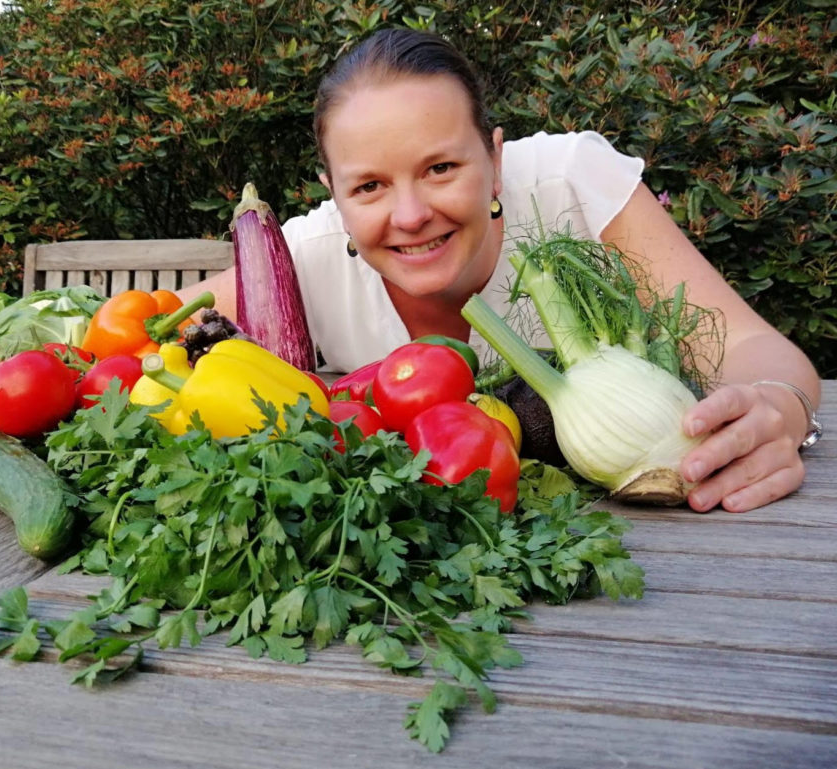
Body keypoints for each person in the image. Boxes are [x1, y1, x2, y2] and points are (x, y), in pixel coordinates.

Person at [179, 27, 821, 514]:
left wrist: (779, 408)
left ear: (494, 156)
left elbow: (748, 344)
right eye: (369, 186)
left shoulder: (572, 185)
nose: (409, 215)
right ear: (333, 193)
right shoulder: (303, 257)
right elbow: (135, 336)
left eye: (440, 169)